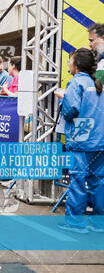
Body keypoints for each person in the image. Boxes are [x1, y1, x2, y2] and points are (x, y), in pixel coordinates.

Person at [54, 47, 104, 233]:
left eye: (70, 60)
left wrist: (63, 98)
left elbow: (71, 111)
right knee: (98, 181)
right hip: (99, 137)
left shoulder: (76, 83)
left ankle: (75, 222)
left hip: (81, 136)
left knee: (77, 178)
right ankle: (99, 223)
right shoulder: (97, 83)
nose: (68, 63)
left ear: (76, 64)